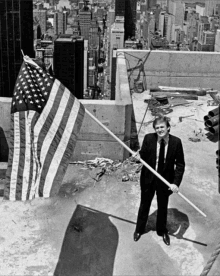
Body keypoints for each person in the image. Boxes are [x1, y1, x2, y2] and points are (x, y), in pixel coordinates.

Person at [133, 115, 185, 246]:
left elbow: (180, 165)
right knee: (144, 204)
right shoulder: (149, 138)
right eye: (157, 128)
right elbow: (143, 155)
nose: (160, 130)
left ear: (168, 128)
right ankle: (139, 229)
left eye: (162, 127)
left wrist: (175, 183)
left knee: (162, 206)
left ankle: (162, 231)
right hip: (148, 179)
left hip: (165, 181)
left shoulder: (176, 142)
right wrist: (138, 156)